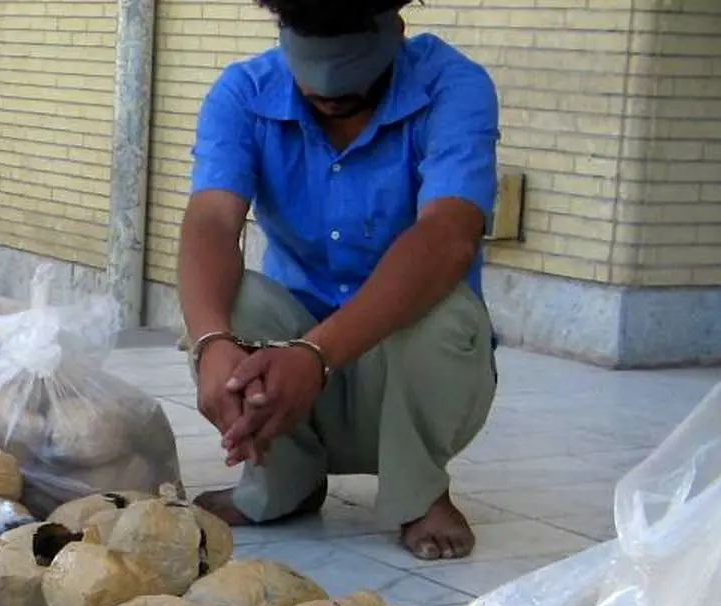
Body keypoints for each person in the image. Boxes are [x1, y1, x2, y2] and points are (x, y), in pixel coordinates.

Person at [178, 0, 500, 559]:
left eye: (352, 90)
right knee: (232, 306)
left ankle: (418, 493)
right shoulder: (243, 92)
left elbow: (448, 236)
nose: (331, 102)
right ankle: (283, 483)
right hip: (288, 382)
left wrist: (317, 354)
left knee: (444, 311)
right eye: (316, 90)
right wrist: (211, 343)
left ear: (395, 34)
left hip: (409, 377)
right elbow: (210, 219)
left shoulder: (454, 86)